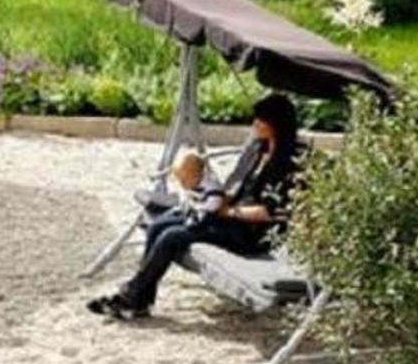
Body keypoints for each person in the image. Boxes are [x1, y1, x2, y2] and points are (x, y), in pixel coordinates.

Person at [87, 92, 303, 320]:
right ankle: (140, 298)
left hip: (251, 233)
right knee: (158, 225)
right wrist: (216, 198)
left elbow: (270, 212)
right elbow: (234, 185)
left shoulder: (290, 163)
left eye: (261, 120)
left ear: (278, 124)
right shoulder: (257, 149)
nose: (255, 124)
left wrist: (229, 211)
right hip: (228, 218)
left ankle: (131, 298)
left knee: (172, 236)